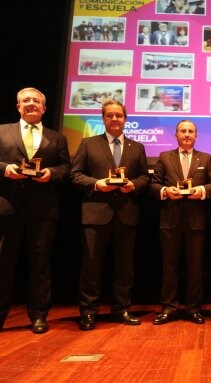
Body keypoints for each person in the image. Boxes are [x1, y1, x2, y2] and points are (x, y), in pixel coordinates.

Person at [0, 87, 71, 340]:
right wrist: (6, 169)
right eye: (25, 101)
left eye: (36, 101)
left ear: (44, 108)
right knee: (1, 264)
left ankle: (38, 316)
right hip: (5, 207)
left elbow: (65, 168)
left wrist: (51, 174)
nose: (31, 104)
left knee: (40, 265)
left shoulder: (57, 137)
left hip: (43, 210)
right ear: (18, 106)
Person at [71, 100, 150, 331]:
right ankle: (88, 312)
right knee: (91, 266)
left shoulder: (137, 147)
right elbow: (75, 176)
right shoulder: (88, 144)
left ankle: (121, 309)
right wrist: (97, 184)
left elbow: (145, 177)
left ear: (125, 119)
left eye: (119, 115)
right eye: (110, 116)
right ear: (103, 119)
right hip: (95, 214)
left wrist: (132, 185)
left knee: (125, 266)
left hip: (126, 214)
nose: (115, 119)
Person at [150, 120, 211, 325]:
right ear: (176, 135)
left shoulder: (205, 158)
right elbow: (154, 183)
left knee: (195, 267)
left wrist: (202, 191)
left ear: (196, 135)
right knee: (169, 267)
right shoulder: (164, 157)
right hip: (170, 220)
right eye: (183, 131)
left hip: (196, 221)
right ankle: (169, 308)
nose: (187, 134)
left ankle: (193, 308)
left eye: (190, 131)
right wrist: (165, 191)